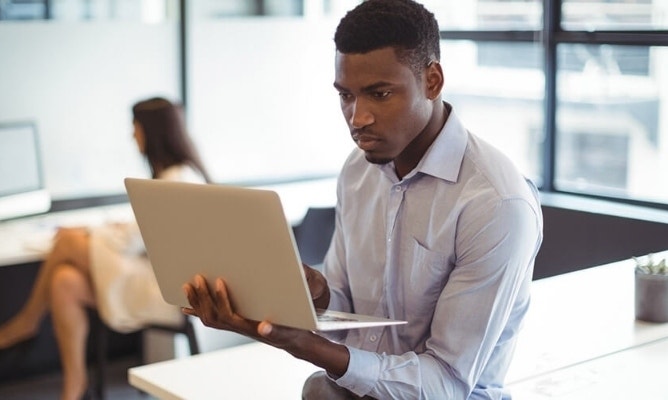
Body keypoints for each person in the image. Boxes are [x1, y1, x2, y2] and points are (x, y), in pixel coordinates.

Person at [182, 0, 543, 398]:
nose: (357, 118)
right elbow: (347, 307)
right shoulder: (357, 172)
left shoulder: (495, 204)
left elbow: (448, 384)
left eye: (380, 94)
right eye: (346, 96)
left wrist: (313, 348)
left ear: (433, 81)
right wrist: (318, 295)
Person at [0, 97, 212, 400]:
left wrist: (87, 232)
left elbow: (129, 240)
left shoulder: (178, 179)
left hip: (167, 294)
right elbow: (142, 232)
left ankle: (26, 323)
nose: (132, 136)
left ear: (151, 132)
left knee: (67, 242)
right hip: (150, 273)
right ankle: (74, 388)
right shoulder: (173, 175)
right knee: (64, 281)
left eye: (135, 128)